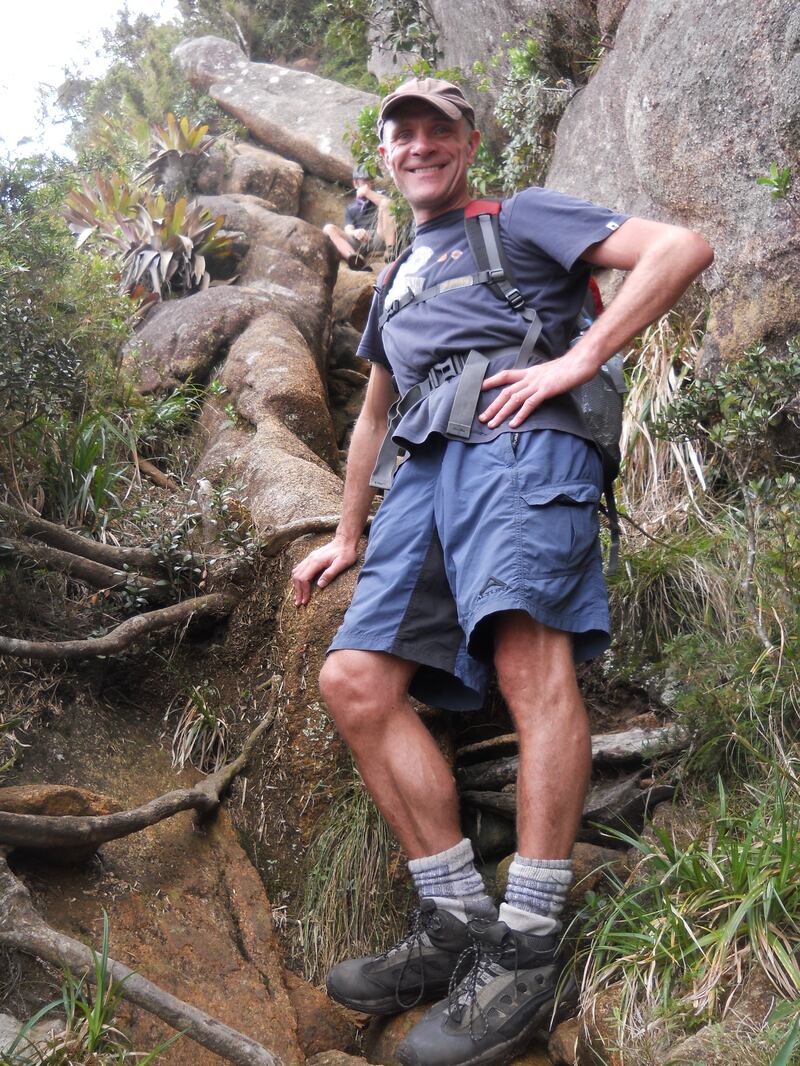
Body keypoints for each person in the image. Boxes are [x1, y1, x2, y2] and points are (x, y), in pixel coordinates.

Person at [293, 77, 713, 1065]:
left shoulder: (519, 217)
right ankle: (454, 924)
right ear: (385, 157)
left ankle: (526, 943)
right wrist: (348, 533)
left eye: (437, 127)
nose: (417, 144)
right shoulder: (395, 275)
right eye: (401, 133)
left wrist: (580, 360)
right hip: (420, 474)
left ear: (468, 141)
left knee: (531, 668)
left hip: (517, 444)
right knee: (351, 680)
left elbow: (676, 249)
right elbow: (369, 412)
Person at [323, 166, 396, 270]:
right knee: (328, 228)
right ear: (356, 183)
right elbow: (348, 229)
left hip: (379, 235)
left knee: (386, 203)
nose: (369, 183)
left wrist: (367, 193)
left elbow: (390, 205)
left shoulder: (381, 195)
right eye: (365, 180)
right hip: (359, 241)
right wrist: (355, 232)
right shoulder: (351, 208)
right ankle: (355, 260)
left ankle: (391, 251)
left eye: (371, 180)